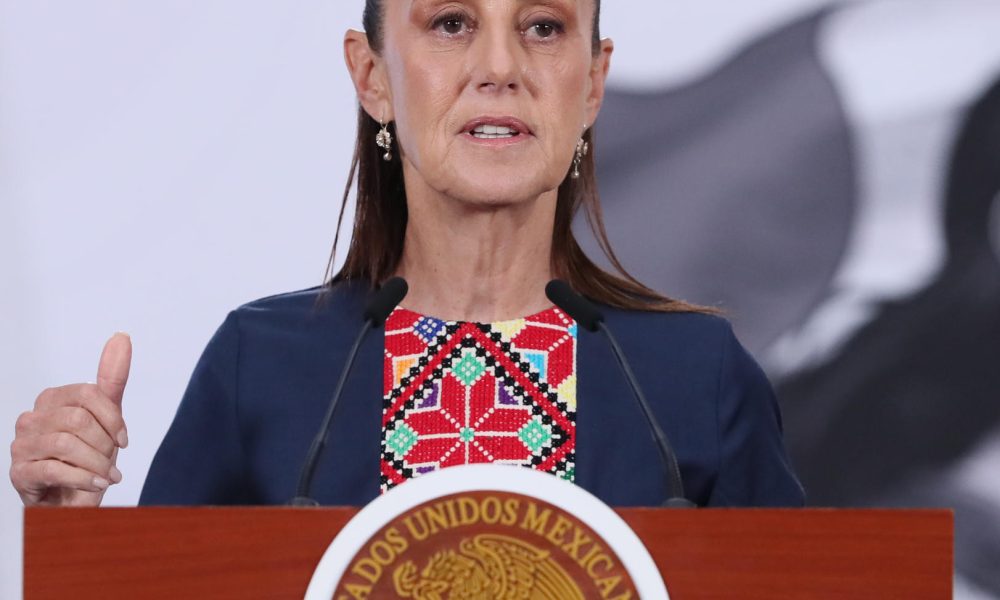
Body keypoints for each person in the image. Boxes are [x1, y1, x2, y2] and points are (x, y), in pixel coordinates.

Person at [10, 0, 804, 508]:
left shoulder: (697, 376)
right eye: (452, 23)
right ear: (372, 76)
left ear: (592, 83)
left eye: (543, 27)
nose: (501, 69)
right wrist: (72, 534)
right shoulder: (262, 365)